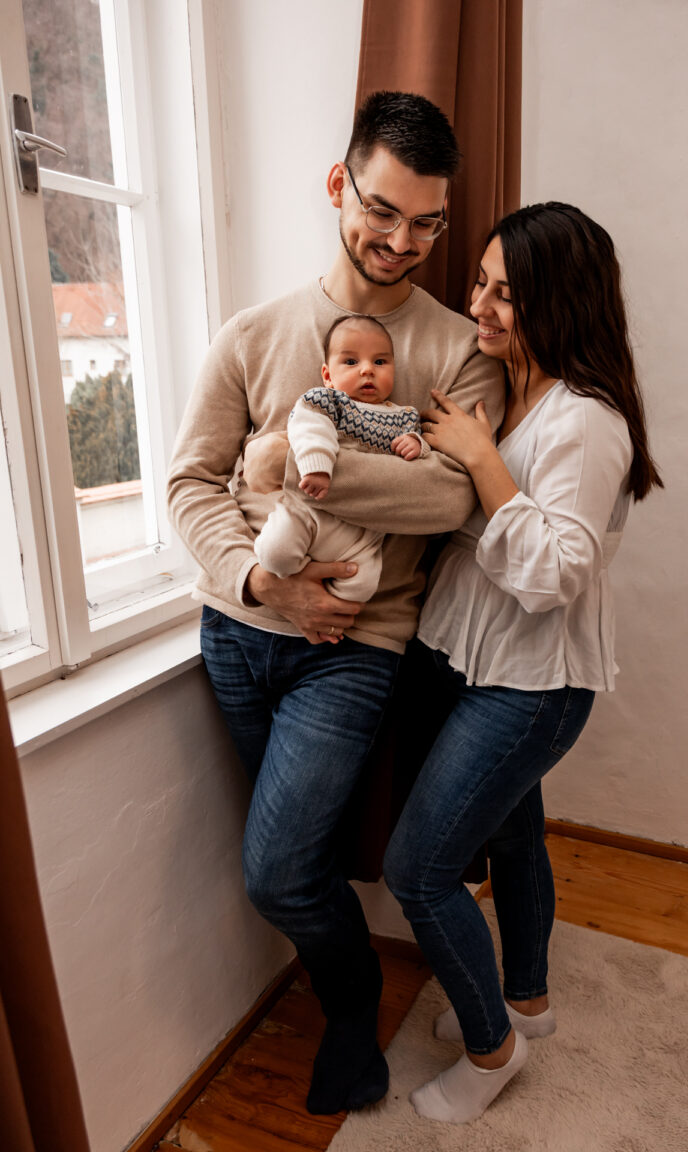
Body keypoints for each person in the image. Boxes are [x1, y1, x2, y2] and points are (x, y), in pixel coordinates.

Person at [166, 90, 504, 1116]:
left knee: (274, 874)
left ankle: (353, 1007)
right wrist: (261, 577)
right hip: (239, 632)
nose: (404, 241)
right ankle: (350, 1001)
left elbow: (449, 497)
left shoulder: (458, 353)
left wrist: (286, 464)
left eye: (429, 222)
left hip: (355, 647)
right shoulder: (250, 334)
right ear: (337, 188)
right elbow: (188, 484)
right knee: (296, 860)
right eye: (385, 211)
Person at [383, 202, 663, 1124]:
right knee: (509, 836)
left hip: (532, 682)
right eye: (482, 286)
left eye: (509, 294)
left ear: (563, 298)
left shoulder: (585, 420)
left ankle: (492, 1049)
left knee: (420, 870)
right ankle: (528, 1002)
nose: (483, 308)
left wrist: (477, 459)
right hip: (482, 662)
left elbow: (553, 573)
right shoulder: (519, 390)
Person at [253, 313, 429, 605]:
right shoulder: (327, 402)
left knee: (362, 586)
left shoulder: (404, 416)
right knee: (276, 554)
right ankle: (299, 578)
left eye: (380, 362)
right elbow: (309, 428)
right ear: (327, 376)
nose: (367, 371)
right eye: (351, 362)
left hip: (362, 532)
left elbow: (422, 464)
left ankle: (328, 602)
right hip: (309, 511)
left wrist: (416, 444)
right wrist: (317, 466)